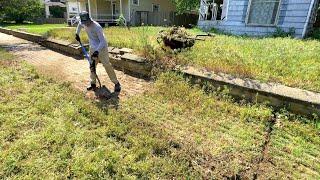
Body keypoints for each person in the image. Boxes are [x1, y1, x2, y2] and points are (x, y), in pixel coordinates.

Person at [75, 11, 121, 93]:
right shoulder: (83, 22)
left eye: (87, 22)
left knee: (107, 65)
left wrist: (97, 51)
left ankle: (116, 83)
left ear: (90, 19)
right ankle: (93, 83)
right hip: (92, 47)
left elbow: (103, 42)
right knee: (92, 66)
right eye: (84, 23)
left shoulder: (97, 27)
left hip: (102, 48)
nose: (86, 24)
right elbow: (79, 25)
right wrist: (77, 34)